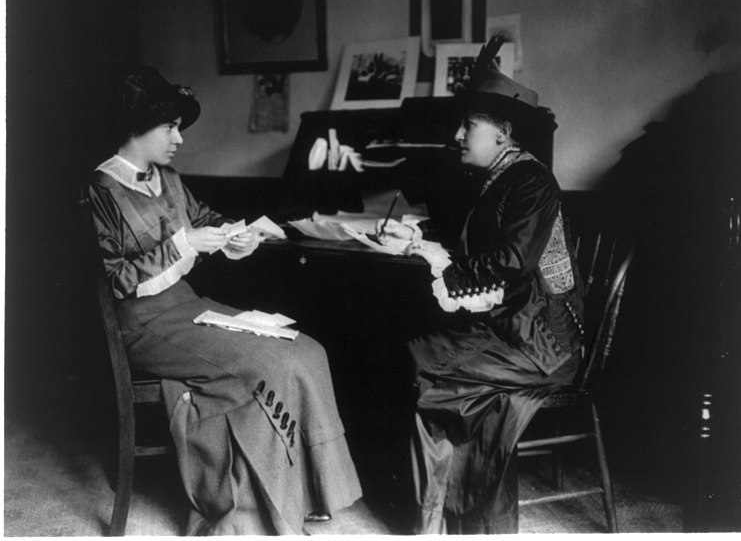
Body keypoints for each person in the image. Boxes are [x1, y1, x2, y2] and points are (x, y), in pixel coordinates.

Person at [84, 65, 362, 535]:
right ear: (137, 126)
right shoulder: (100, 191)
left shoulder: (168, 178)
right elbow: (117, 280)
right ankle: (260, 509)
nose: (179, 138)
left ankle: (311, 494)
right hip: (143, 326)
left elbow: (206, 220)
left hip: (187, 306)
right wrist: (186, 244)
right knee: (270, 364)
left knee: (304, 349)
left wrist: (236, 236)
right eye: (169, 127)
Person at [376, 38, 585, 534]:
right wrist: (419, 236)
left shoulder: (531, 182)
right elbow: (475, 245)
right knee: (419, 358)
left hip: (543, 341)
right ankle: (439, 518)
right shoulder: (498, 178)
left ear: (504, 133)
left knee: (420, 364)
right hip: (511, 327)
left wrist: (439, 266)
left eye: (468, 125)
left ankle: (436, 517)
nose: (457, 135)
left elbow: (511, 263)